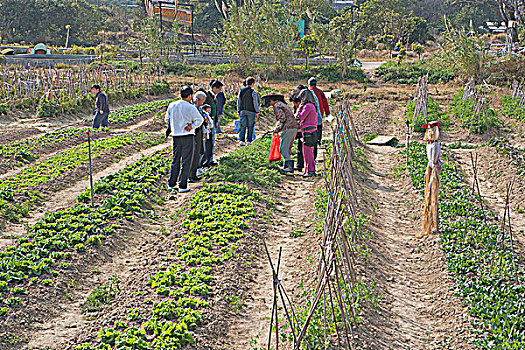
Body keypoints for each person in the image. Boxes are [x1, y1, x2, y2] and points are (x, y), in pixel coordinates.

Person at [165, 86, 203, 193]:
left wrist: (174, 124)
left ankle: (172, 184)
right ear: (190, 96)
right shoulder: (190, 107)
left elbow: (166, 119)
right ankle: (182, 185)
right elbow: (199, 120)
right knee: (186, 160)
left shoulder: (172, 105)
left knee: (176, 159)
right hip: (187, 136)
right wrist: (192, 126)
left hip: (176, 136)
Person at [263, 93, 299, 174]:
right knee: (288, 148)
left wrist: (277, 128)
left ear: (271, 100)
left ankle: (289, 167)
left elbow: (282, 118)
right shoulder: (282, 104)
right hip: (293, 128)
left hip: (288, 128)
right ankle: (287, 165)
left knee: (283, 148)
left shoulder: (277, 106)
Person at [417, 120, 442, 238]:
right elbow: (432, 162)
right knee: (430, 193)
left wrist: (434, 167)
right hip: (431, 170)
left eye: (430, 130)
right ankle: (430, 223)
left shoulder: (434, 145)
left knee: (432, 195)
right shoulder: (431, 145)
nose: (428, 133)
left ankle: (433, 224)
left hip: (433, 171)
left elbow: (433, 162)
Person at [291, 85, 320, 173]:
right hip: (310, 130)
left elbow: (301, 117)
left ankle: (310, 170)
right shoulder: (312, 105)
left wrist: (299, 109)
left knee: (308, 153)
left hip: (308, 131)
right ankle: (307, 170)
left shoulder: (308, 106)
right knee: (306, 152)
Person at [308, 77, 330, 159]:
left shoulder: (309, 93)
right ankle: (318, 140)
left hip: (312, 114)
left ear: (309, 84)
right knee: (319, 126)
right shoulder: (320, 92)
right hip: (320, 113)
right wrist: (327, 113)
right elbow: (325, 103)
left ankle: (315, 139)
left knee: (314, 126)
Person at [203, 80, 223, 166]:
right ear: (214, 88)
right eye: (219, 89)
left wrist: (216, 122)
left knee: (212, 140)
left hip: (213, 120)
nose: (220, 91)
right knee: (208, 141)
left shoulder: (214, 96)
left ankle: (210, 159)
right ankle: (205, 161)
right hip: (208, 121)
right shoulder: (207, 96)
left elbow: (216, 110)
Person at [189, 91, 207, 183]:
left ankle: (193, 174)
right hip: (194, 133)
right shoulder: (193, 108)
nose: (203, 103)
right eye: (202, 101)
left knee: (198, 153)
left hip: (199, 132)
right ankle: (190, 175)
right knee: (194, 154)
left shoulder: (199, 108)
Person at [237, 77, 260, 146]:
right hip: (251, 111)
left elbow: (238, 101)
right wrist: (257, 111)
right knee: (250, 126)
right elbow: (255, 102)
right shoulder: (253, 92)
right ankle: (249, 140)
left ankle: (241, 140)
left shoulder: (241, 91)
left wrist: (238, 110)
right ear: (252, 84)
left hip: (242, 110)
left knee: (243, 125)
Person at [200, 104, 213, 169]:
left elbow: (211, 125)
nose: (208, 113)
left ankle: (207, 163)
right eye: (207, 111)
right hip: (204, 135)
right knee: (204, 150)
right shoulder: (202, 116)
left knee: (209, 148)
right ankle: (202, 165)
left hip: (209, 134)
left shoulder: (208, 117)